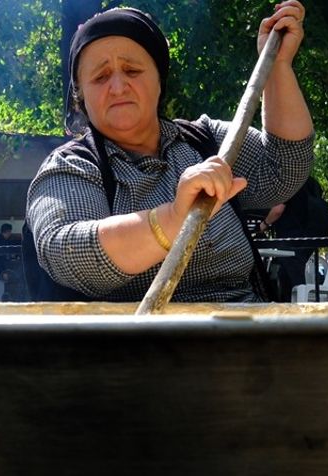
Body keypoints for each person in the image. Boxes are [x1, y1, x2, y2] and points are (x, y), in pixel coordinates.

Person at [25, 3, 313, 302]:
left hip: (246, 331)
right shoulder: (71, 166)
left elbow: (285, 169)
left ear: (159, 79)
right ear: (80, 94)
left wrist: (278, 66)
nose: (118, 86)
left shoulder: (205, 140)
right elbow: (67, 252)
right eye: (100, 77)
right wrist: (175, 218)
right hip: (139, 341)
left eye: (132, 70)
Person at [257, 176, 328, 300]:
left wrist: (263, 225)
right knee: (288, 275)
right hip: (308, 235)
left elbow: (278, 210)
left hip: (290, 237)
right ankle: (297, 304)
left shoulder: (287, 182)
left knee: (291, 277)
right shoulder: (309, 181)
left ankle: (297, 308)